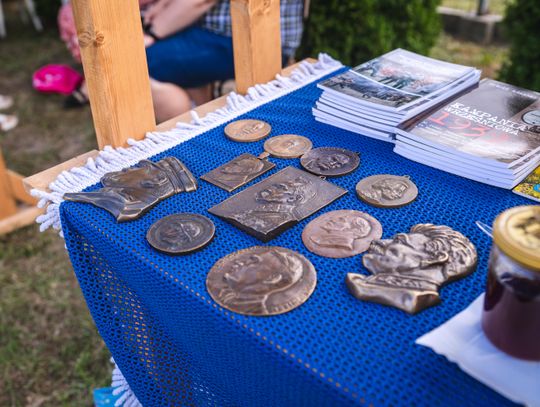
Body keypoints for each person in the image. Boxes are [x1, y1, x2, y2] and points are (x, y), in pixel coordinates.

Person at [144, 0, 304, 121]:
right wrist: (162, 6)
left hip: (245, 38)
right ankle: (202, 116)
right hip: (238, 34)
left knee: (141, 66)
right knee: (167, 55)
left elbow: (201, 2)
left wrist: (153, 33)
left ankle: (189, 130)